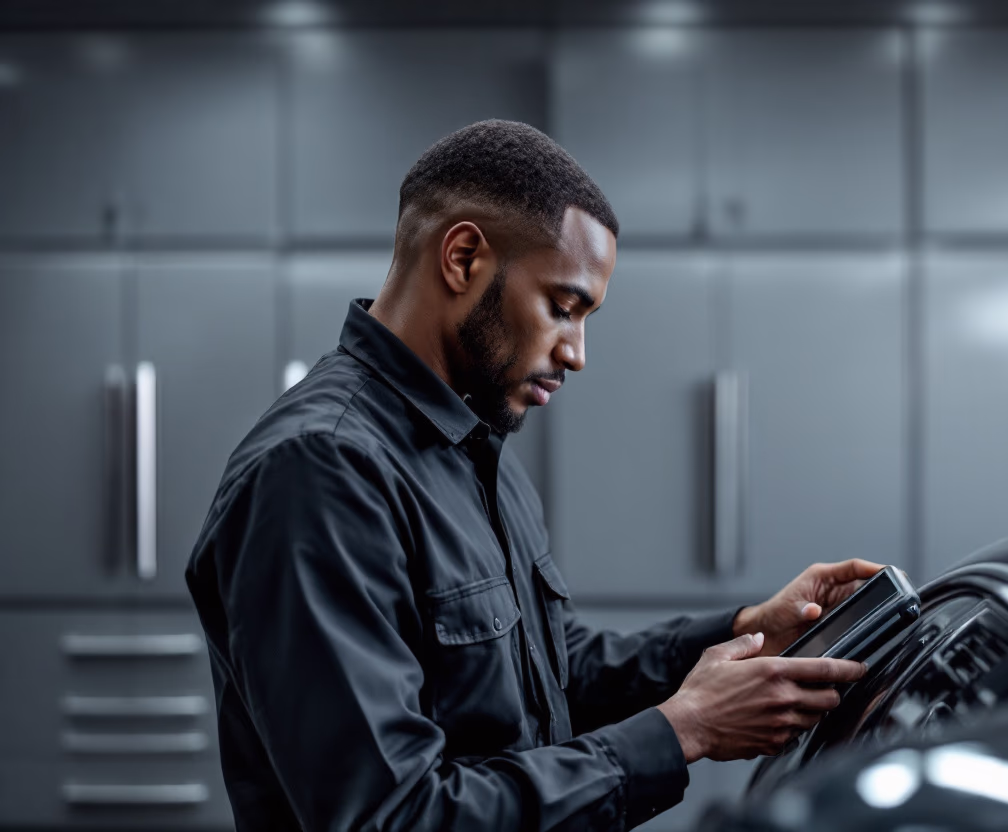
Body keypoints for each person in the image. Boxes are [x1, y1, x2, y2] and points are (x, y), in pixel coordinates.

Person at [186, 119, 883, 832]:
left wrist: (741, 634)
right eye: (562, 307)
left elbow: (549, 675)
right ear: (462, 259)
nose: (577, 352)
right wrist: (682, 732)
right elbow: (390, 815)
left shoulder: (476, 449)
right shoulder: (320, 471)